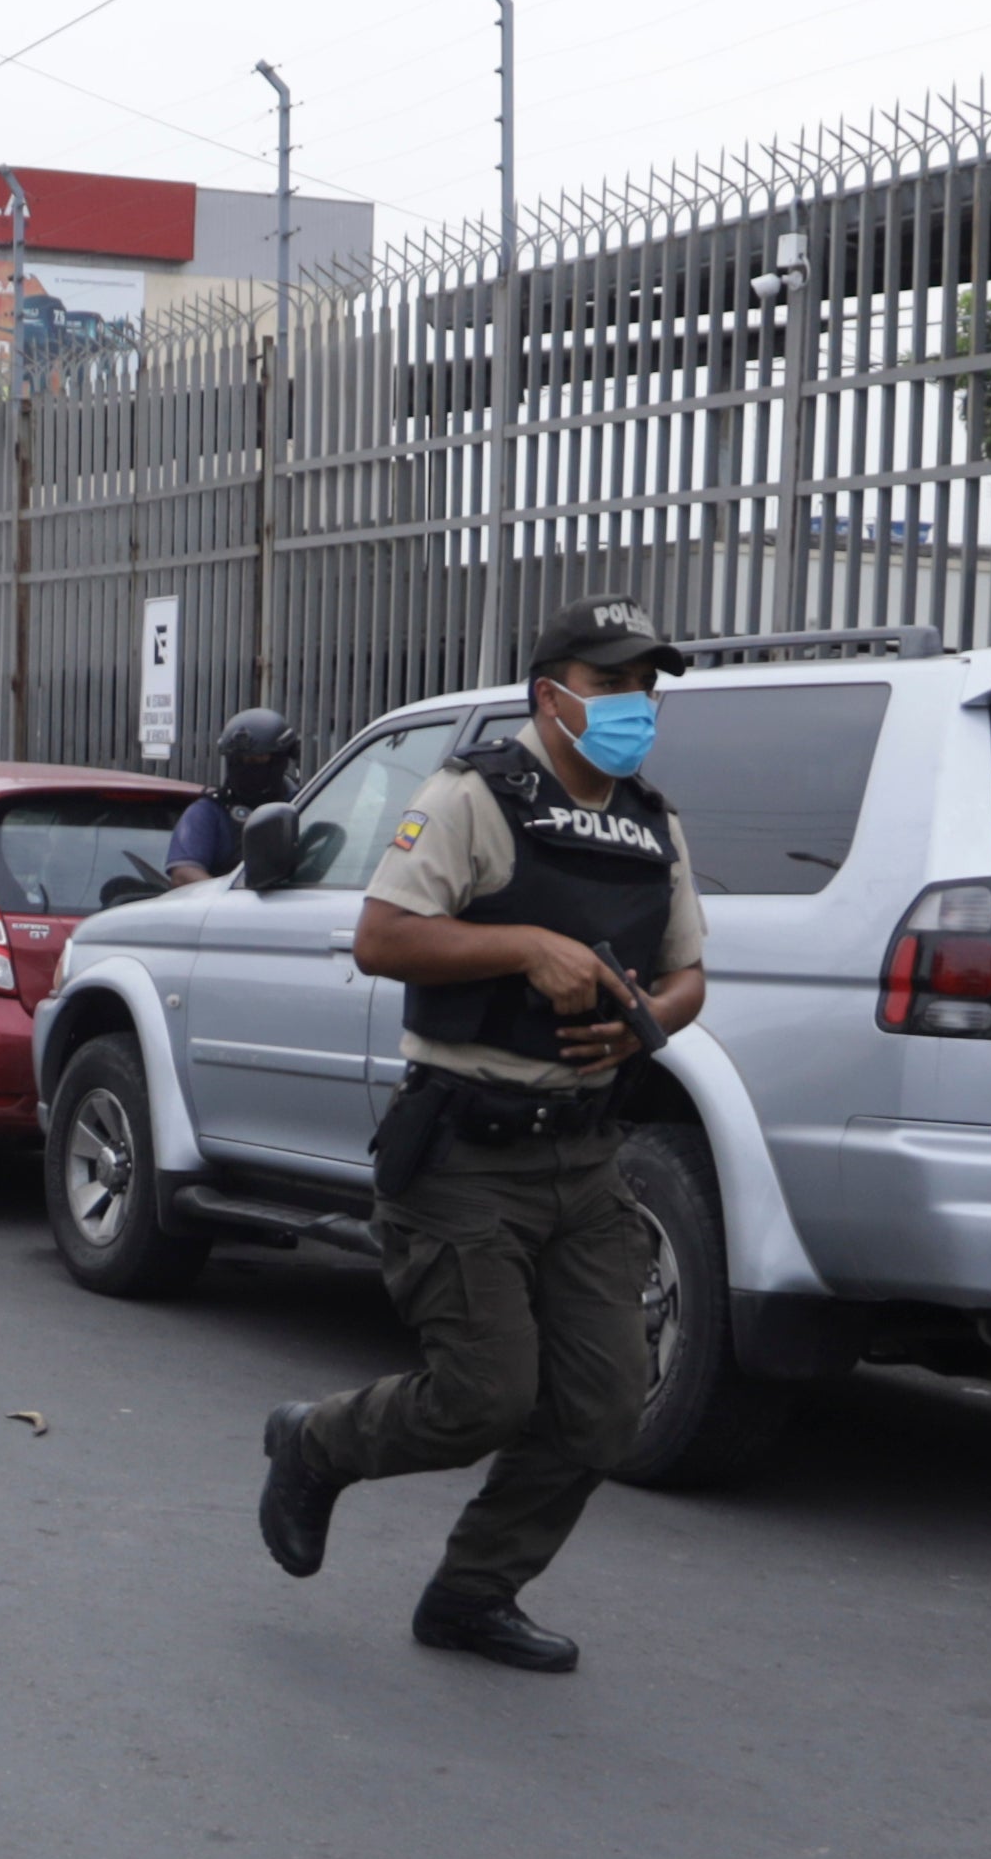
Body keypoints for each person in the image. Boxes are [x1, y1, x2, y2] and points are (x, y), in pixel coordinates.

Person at [254, 593, 707, 1673]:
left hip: (587, 1155)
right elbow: (379, 937)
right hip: (464, 1148)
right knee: (483, 1396)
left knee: (603, 1414)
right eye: (613, 686)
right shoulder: (473, 798)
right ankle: (313, 1443)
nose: (636, 705)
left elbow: (690, 974)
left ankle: (470, 1595)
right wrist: (522, 948)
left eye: (647, 687)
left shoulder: (651, 819)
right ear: (551, 696)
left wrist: (643, 1029)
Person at [164, 707, 300, 883]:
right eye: (239, 760)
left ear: (282, 759)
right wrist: (229, 904)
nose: (247, 767)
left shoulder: (303, 804)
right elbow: (184, 873)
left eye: (258, 759)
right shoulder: (209, 812)